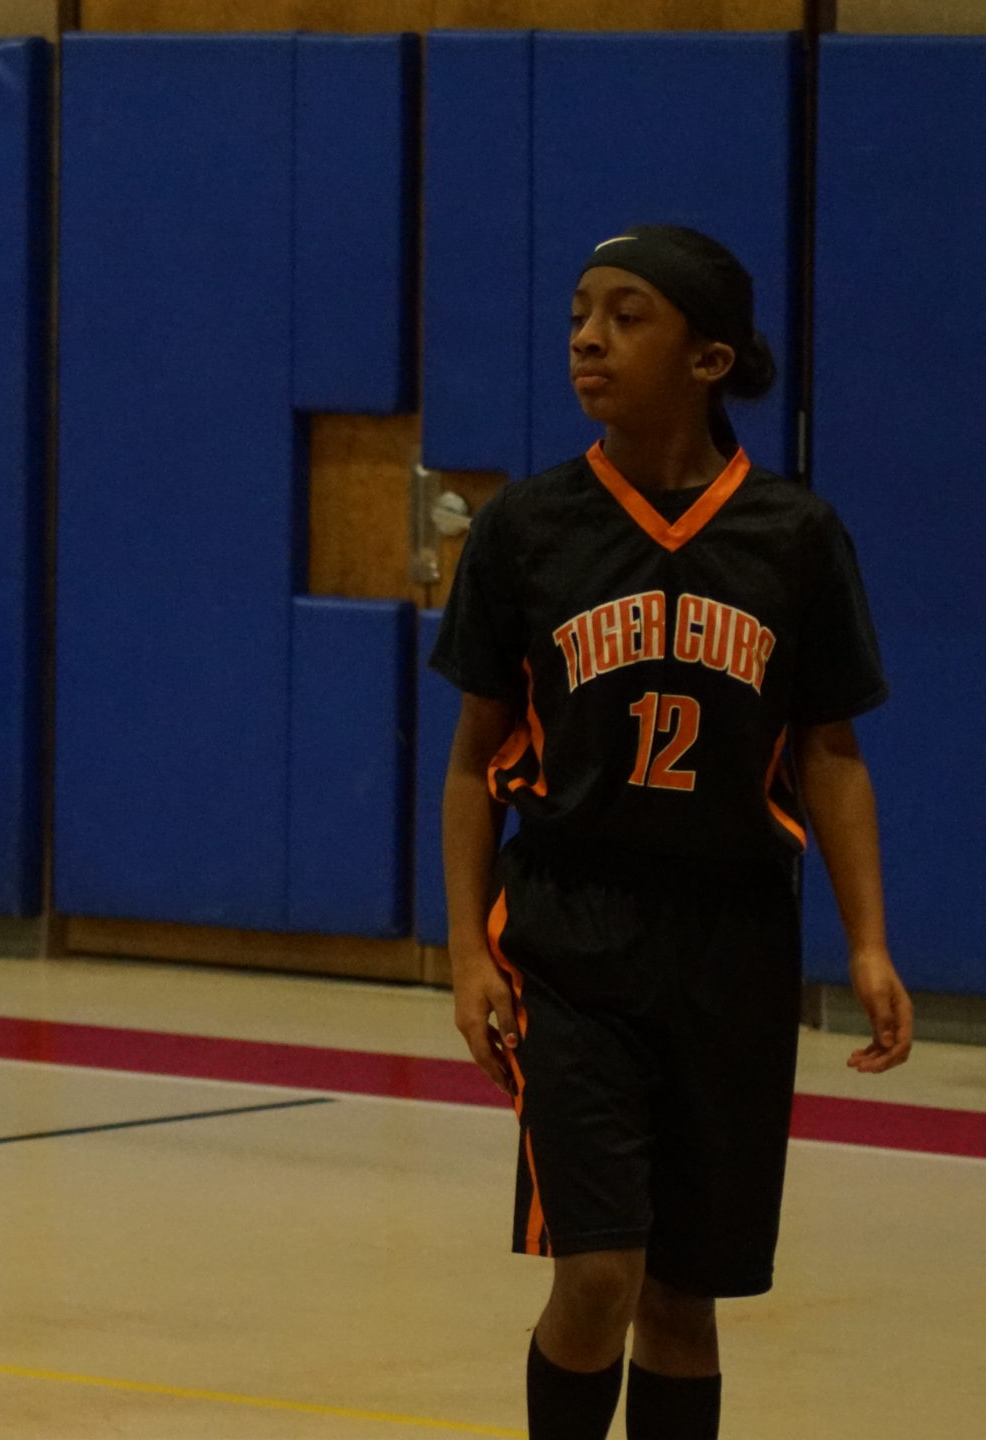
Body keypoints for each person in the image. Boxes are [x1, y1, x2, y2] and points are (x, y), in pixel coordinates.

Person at [433, 225, 914, 1440]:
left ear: (709, 359)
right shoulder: (527, 529)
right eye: (578, 314)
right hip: (570, 938)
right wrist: (468, 950)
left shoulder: (793, 537)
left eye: (625, 315)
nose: (586, 339)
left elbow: (829, 755)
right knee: (599, 1272)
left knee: (684, 1301)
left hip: (732, 943)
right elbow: (471, 763)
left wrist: (866, 944)